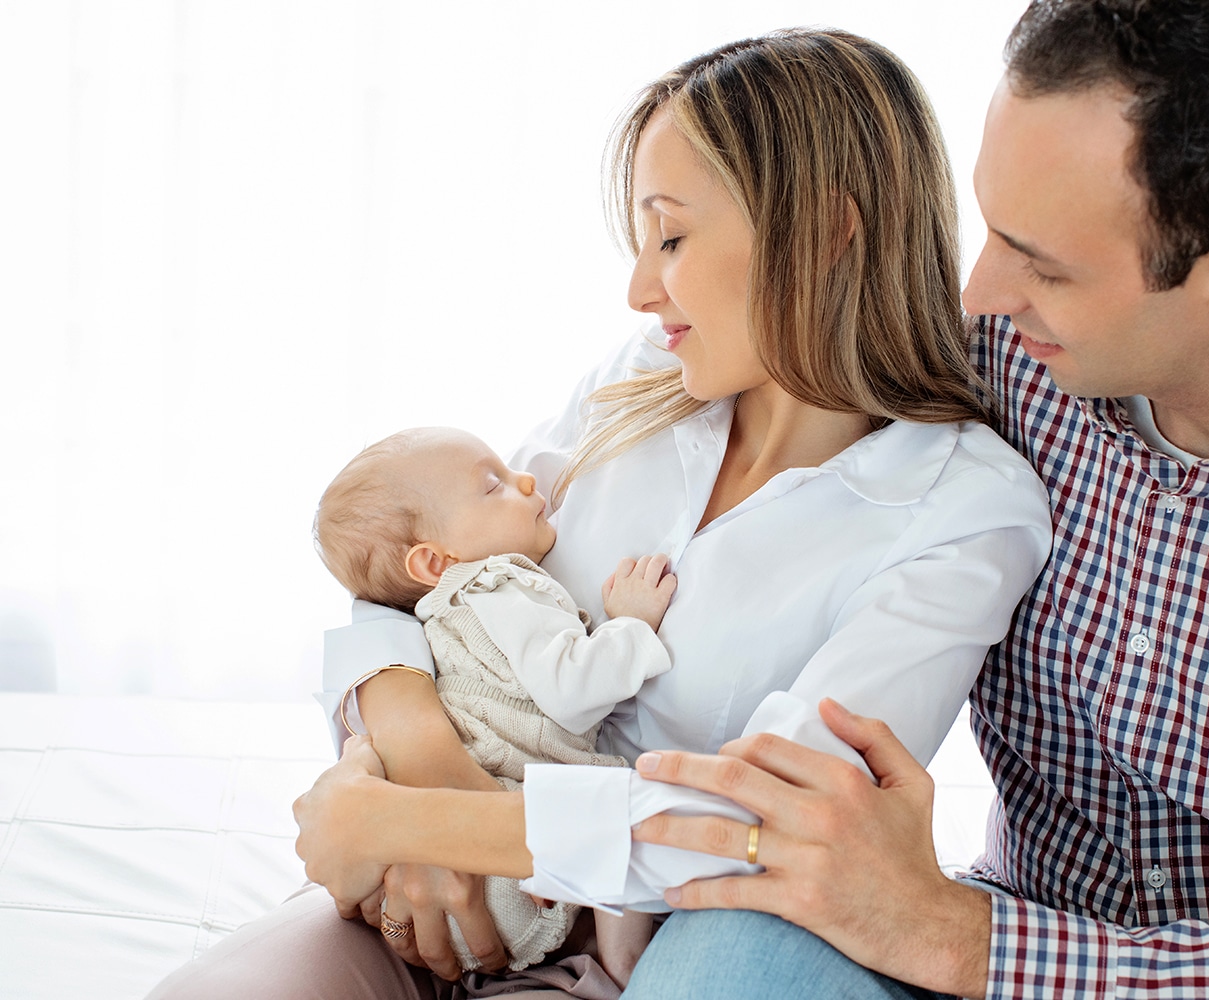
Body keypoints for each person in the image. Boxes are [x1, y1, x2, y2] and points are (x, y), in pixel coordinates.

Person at [614, 1, 1209, 998]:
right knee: (731, 952)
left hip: (1050, 956)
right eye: (991, 229)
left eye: (1041, 263)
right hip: (976, 937)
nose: (981, 292)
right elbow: (518, 490)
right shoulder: (998, 358)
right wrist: (425, 727)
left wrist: (957, 937)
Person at [147, 27, 1052, 1000]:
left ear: (828, 229)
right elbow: (422, 562)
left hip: (666, 949)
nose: (638, 286)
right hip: (448, 902)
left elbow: (777, 823)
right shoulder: (647, 376)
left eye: (671, 235)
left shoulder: (962, 508)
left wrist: (402, 823)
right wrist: (411, 756)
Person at [313, 425, 676, 983]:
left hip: (425, 893)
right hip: (502, 870)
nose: (528, 478)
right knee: (613, 802)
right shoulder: (496, 586)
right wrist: (629, 624)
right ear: (435, 563)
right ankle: (626, 968)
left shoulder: (445, 609)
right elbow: (573, 692)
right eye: (494, 484)